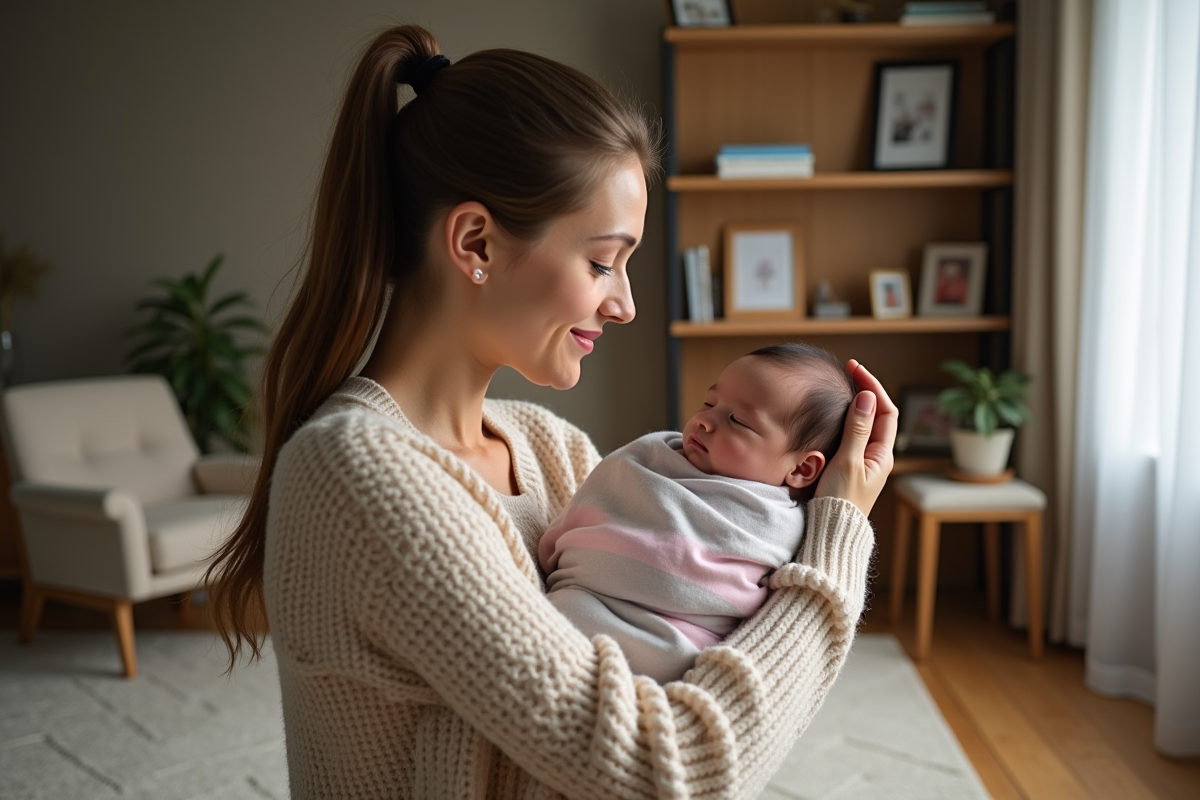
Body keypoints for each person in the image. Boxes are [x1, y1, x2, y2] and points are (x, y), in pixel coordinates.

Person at [205, 24, 897, 800]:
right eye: (603, 260)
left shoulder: (550, 447)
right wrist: (836, 537)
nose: (626, 302)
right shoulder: (357, 476)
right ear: (476, 243)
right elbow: (659, 768)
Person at [540, 343, 855, 683]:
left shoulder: (784, 525)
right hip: (576, 610)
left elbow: (781, 616)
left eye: (737, 420)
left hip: (678, 657)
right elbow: (591, 504)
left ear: (803, 468)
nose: (704, 420)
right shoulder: (649, 457)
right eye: (709, 403)